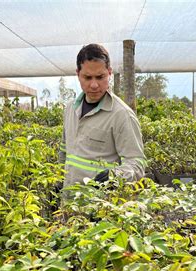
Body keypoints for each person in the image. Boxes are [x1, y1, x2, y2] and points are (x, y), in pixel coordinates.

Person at [59, 43, 146, 189]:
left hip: (100, 206)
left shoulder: (121, 115)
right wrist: (58, 182)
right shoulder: (70, 109)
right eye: (87, 77)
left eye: (100, 77)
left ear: (109, 73)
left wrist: (114, 175)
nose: (94, 85)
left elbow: (137, 164)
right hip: (68, 202)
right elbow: (64, 151)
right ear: (78, 74)